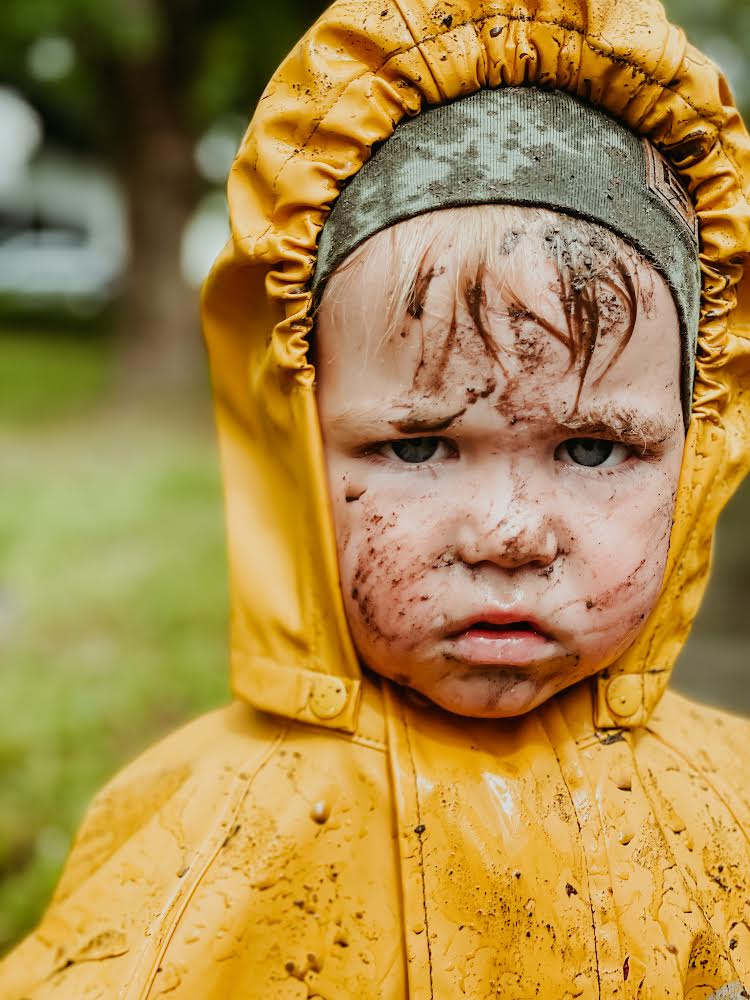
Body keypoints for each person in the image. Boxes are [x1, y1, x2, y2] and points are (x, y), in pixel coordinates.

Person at [3, 0, 750, 996]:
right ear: (298, 451)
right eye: (419, 441)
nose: (509, 532)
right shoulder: (208, 834)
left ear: (694, 450)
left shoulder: (729, 810)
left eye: (591, 445)